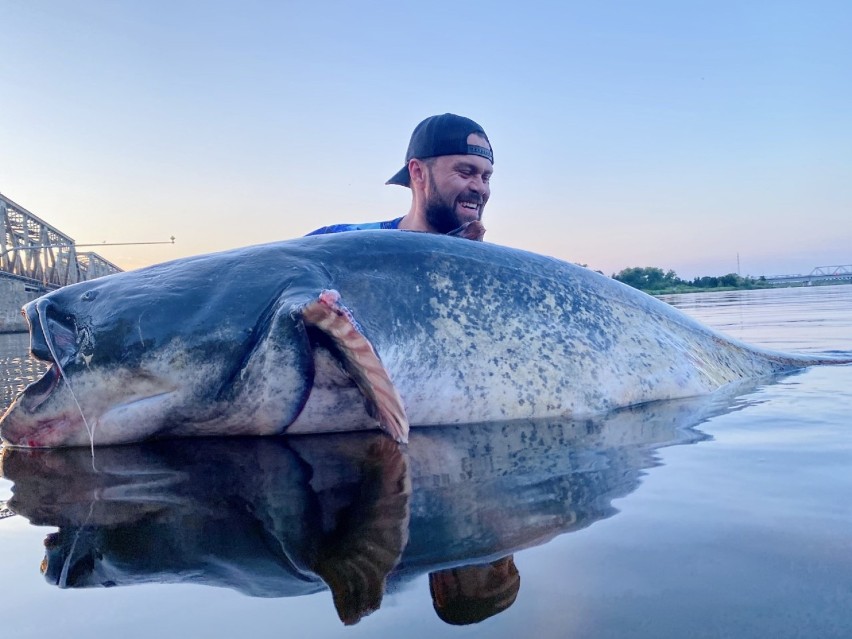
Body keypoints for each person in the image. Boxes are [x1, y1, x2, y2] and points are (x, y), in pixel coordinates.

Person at [307, 113, 493, 239]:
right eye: (466, 172)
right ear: (418, 172)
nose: (480, 187)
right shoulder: (334, 245)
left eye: (486, 177)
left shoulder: (492, 269)